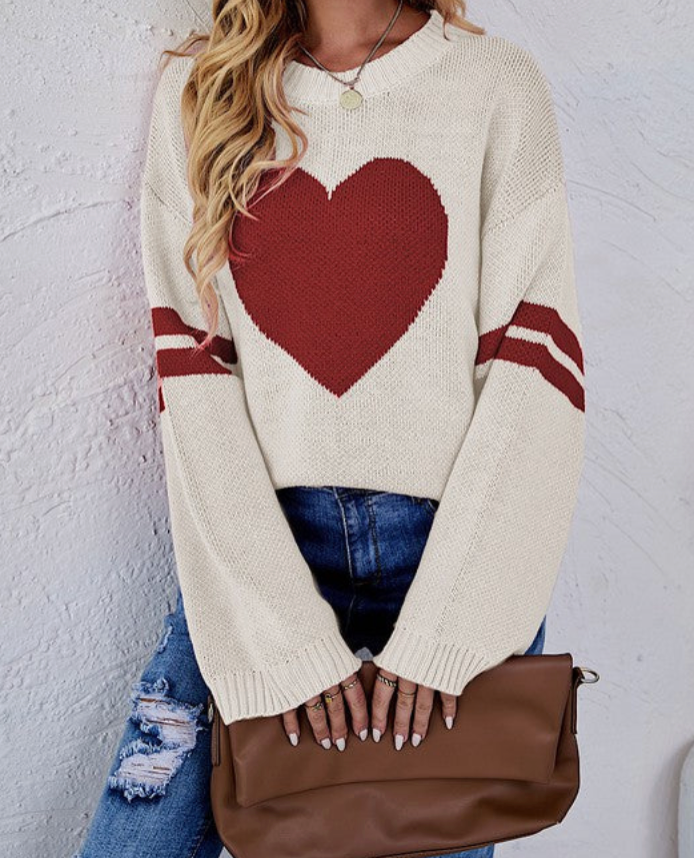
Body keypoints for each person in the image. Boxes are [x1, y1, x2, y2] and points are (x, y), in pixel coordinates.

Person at [73, 1, 585, 857]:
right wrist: (284, 639)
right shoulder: (204, 90)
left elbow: (535, 377)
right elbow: (193, 385)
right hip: (251, 562)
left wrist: (447, 635)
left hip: (453, 562)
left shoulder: (496, 85)